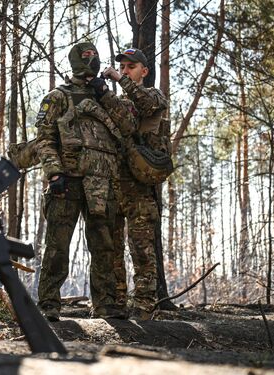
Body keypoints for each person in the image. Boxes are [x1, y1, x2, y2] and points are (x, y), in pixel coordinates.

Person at [35, 42, 133, 321]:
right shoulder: (58, 97)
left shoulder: (108, 98)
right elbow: (45, 139)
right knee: (57, 245)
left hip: (103, 183)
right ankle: (49, 304)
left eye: (94, 58)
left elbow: (128, 127)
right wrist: (54, 173)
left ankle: (105, 304)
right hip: (67, 181)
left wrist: (106, 94)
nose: (90, 63)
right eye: (85, 58)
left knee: (104, 246)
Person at [101, 48, 169, 317]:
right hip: (115, 182)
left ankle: (144, 306)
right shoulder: (120, 103)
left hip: (140, 187)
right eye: (123, 67)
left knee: (141, 248)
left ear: (144, 71)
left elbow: (146, 106)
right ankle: (117, 304)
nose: (126, 70)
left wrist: (119, 79)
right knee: (113, 247)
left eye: (131, 67)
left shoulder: (153, 96)